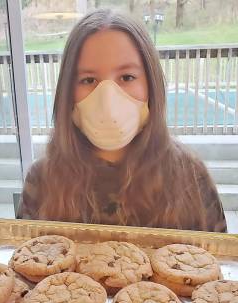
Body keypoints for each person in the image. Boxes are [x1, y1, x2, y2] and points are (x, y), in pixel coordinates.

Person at [17, 8, 227, 233]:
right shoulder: (43, 180)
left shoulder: (190, 177)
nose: (108, 99)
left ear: (151, 85)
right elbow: (24, 259)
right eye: (88, 80)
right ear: (67, 92)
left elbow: (219, 261)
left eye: (127, 77)